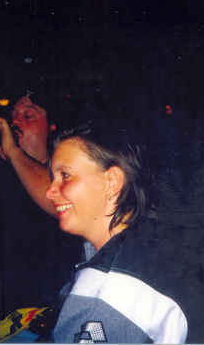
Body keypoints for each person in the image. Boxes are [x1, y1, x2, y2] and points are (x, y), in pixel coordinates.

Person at [45, 119, 188, 343]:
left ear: (112, 182)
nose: (49, 191)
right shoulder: (142, 243)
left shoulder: (111, 290)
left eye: (65, 175)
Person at [0, 89, 82, 341]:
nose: (15, 122)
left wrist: (14, 154)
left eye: (28, 116)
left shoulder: (68, 175)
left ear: (52, 127)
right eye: (13, 116)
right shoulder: (3, 177)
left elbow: (58, 200)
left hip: (38, 324)